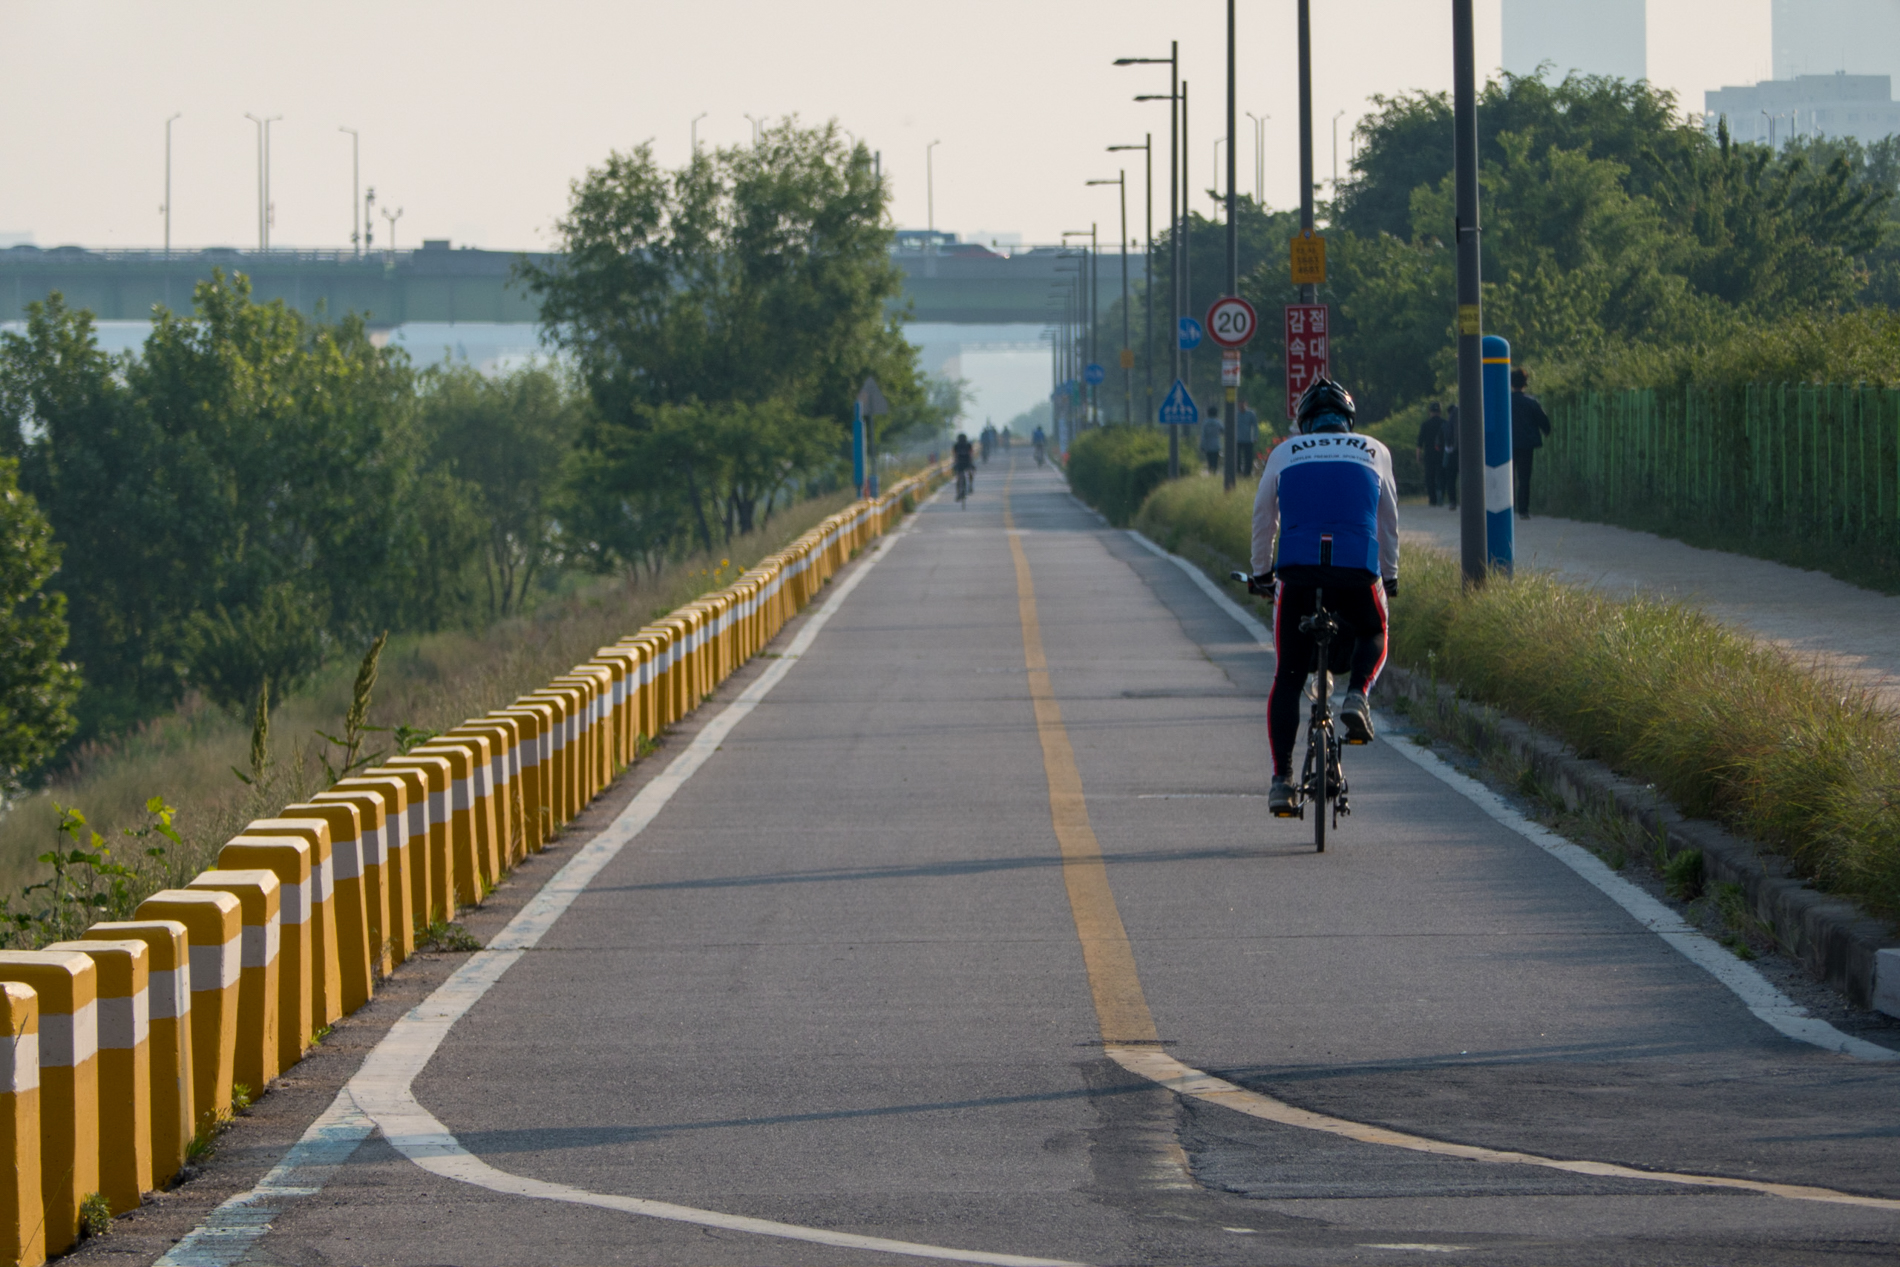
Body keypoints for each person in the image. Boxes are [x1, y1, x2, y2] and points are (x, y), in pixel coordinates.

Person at [1250, 376, 1399, 817]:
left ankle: (1281, 781)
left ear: (1304, 422)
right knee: (1374, 628)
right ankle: (1357, 695)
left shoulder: (1283, 452)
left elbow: (1263, 518)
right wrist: (1389, 577)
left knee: (1287, 678)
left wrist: (1262, 573)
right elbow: (1388, 523)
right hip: (1357, 569)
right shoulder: (1375, 451)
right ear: (1348, 421)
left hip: (1296, 572)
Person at [1510, 367, 1552, 517]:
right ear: (1525, 383)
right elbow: (1543, 421)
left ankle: (1509, 507)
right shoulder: (1531, 402)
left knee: (1508, 477)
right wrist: (1546, 431)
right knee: (1524, 477)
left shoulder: (1505, 402)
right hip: (1527, 444)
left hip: (1508, 445)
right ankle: (1523, 510)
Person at [1416, 403, 1447, 506]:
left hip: (1429, 455)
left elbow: (1420, 442)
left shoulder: (1425, 424)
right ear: (1440, 411)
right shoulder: (1444, 424)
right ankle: (1441, 495)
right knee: (1441, 476)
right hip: (1442, 454)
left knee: (1430, 477)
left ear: (1430, 412)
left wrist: (1418, 455)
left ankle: (1432, 499)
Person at [1442, 403, 1460, 510]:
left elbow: (1448, 431)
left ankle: (1453, 501)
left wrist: (1449, 444)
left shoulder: (1454, 413)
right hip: (1470, 452)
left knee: (1451, 478)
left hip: (1454, 451)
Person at [1236, 399, 1260, 477]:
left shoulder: (1251, 414)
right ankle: (1238, 471)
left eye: (1243, 404)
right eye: (1240, 404)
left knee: (1248, 457)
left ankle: (1247, 473)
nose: (1241, 406)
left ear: (1246, 404)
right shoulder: (1236, 414)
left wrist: (1255, 436)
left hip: (1248, 439)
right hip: (1238, 439)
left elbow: (1255, 426)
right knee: (1237, 457)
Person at [1201, 406, 1224, 475]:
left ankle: (1211, 471)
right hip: (1216, 444)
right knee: (1215, 460)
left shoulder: (1205, 422)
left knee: (1209, 460)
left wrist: (1202, 445)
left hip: (1208, 445)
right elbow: (1223, 430)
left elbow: (1203, 435)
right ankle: (1214, 472)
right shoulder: (1218, 422)